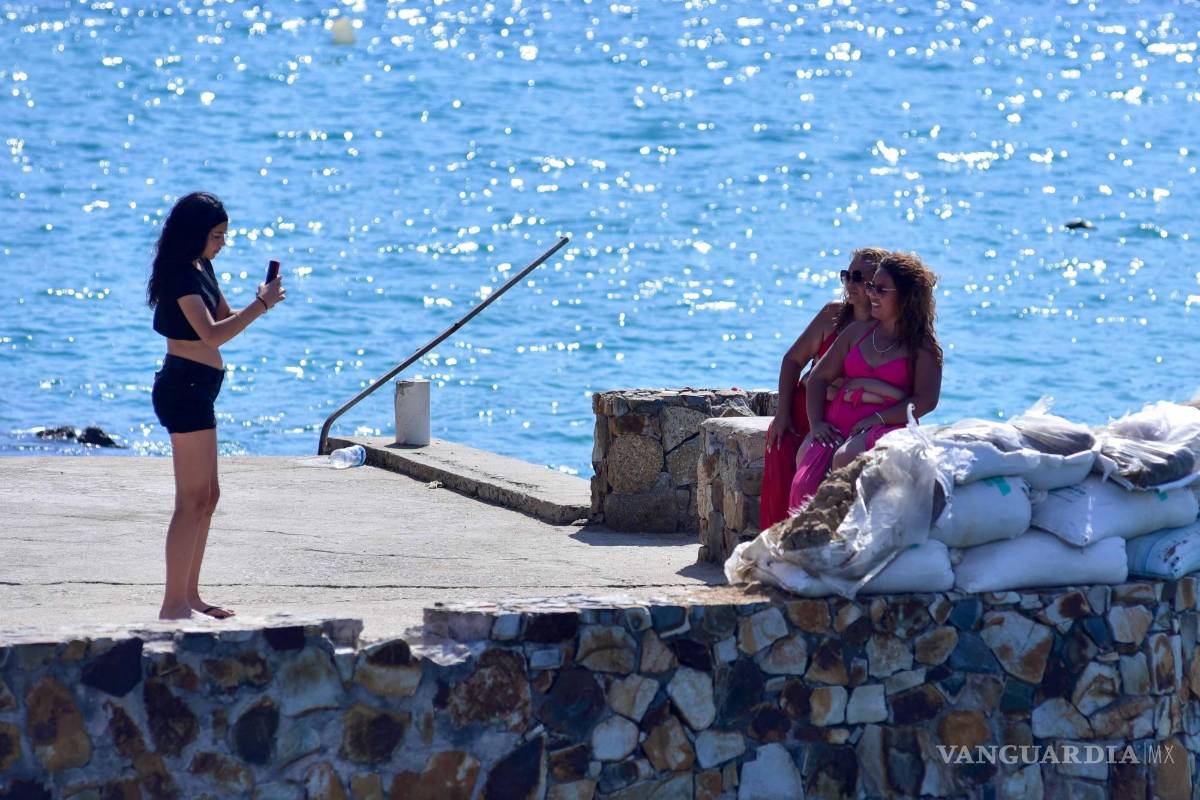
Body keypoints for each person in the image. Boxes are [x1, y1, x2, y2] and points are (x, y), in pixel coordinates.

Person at [147, 192, 286, 620]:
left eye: (224, 235)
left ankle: (190, 597)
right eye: (217, 236)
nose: (223, 243)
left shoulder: (201, 268)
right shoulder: (180, 277)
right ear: (196, 234)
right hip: (183, 389)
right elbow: (211, 335)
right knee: (191, 500)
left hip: (200, 389)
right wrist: (261, 306)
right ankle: (173, 606)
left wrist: (259, 300)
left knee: (208, 495)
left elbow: (225, 318)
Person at [787, 251, 943, 510]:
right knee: (805, 483)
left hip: (889, 426)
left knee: (846, 457)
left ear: (906, 296)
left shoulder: (922, 346)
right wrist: (817, 424)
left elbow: (926, 400)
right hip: (839, 424)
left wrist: (878, 418)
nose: (872, 294)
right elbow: (817, 379)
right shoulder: (857, 332)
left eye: (881, 289)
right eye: (871, 286)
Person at [760, 247, 889, 529]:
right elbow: (792, 361)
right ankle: (775, 541)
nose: (850, 283)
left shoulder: (884, 330)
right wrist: (782, 414)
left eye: (859, 277)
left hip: (844, 417)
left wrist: (836, 388)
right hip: (803, 413)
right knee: (782, 457)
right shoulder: (833, 314)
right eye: (847, 276)